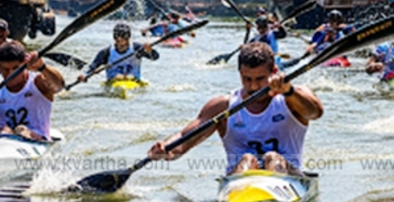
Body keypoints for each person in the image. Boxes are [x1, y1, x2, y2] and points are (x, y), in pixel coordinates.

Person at [147, 42, 324, 175]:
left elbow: (315, 113)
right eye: (247, 79)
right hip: (239, 178)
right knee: (247, 159)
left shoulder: (293, 97)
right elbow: (185, 138)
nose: (253, 86)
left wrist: (289, 91)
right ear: (239, 73)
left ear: (274, 71)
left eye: (260, 79)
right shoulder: (223, 106)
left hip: (288, 175)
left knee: (271, 157)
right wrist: (166, 149)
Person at [76, 22, 160, 83]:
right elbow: (92, 67)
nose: (121, 44)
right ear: (115, 39)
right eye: (118, 40)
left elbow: (155, 57)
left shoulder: (137, 49)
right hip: (114, 82)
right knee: (118, 78)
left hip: (134, 82)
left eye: (124, 40)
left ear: (128, 39)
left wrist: (150, 51)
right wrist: (84, 76)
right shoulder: (106, 52)